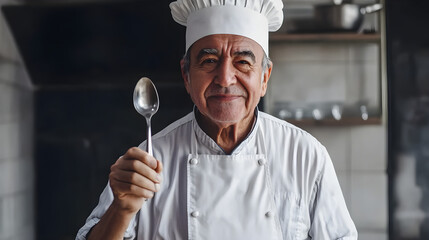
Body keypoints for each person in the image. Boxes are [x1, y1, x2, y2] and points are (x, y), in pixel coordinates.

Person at [76, 0, 358, 239]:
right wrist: (122, 209)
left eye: (243, 61)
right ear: (187, 75)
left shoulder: (306, 156)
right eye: (209, 61)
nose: (225, 78)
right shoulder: (152, 158)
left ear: (264, 78)